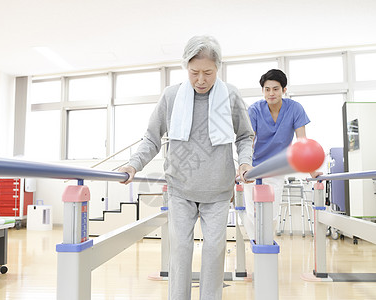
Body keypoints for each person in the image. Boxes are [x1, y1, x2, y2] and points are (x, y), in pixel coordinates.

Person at [118, 35, 254, 300]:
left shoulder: (231, 95)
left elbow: (244, 136)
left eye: (208, 73)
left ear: (218, 68)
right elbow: (151, 137)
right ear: (186, 68)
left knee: (214, 253)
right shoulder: (171, 96)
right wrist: (134, 165)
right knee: (180, 252)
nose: (201, 80)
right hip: (180, 189)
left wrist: (245, 162)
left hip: (217, 190)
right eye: (194, 73)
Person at [245, 69, 321, 230]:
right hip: (254, 166)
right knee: (253, 214)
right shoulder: (254, 110)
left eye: (275, 89)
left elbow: (302, 143)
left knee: (271, 214)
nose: (271, 93)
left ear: (284, 90)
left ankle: (266, 247)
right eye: (267, 89)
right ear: (263, 91)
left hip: (276, 167)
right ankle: (257, 249)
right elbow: (248, 141)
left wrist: (312, 171)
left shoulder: (295, 109)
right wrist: (244, 166)